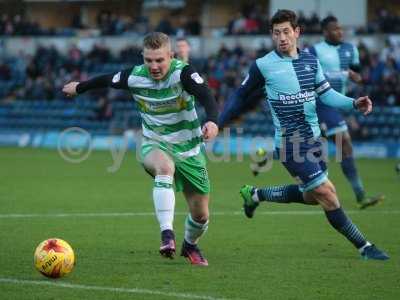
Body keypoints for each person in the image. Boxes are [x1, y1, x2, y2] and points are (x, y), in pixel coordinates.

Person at [219, 10, 388, 260]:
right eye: (276, 33)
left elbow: (327, 94)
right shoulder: (263, 65)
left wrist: (354, 103)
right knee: (328, 194)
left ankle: (255, 194)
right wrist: (217, 122)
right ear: (272, 36)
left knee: (311, 196)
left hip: (314, 140)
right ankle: (365, 247)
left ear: (297, 32)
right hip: (290, 144)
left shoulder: (310, 61)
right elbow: (240, 96)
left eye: (286, 31)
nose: (282, 38)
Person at [62, 32, 219, 266]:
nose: (154, 66)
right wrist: (79, 87)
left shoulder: (183, 72)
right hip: (154, 142)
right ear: (142, 58)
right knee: (164, 167)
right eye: (149, 60)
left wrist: (213, 121)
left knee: (201, 215)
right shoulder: (135, 77)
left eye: (159, 60)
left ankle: (190, 245)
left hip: (190, 150)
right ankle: (167, 234)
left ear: (171, 56)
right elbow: (106, 79)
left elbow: (206, 95)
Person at [307, 16, 383, 209]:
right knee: (345, 144)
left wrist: (356, 77)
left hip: (338, 104)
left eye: (340, 28)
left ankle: (318, 187)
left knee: (331, 149)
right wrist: (339, 75)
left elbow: (358, 75)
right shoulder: (314, 51)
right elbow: (305, 74)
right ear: (325, 32)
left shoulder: (351, 49)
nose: (339, 32)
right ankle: (358, 195)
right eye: (334, 29)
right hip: (321, 103)